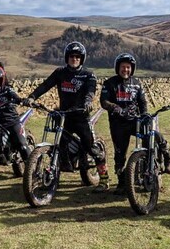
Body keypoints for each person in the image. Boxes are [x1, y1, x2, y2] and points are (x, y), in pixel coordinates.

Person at [23, 42, 110, 191]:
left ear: (82, 58)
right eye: (71, 56)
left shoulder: (88, 75)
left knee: (90, 147)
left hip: (81, 116)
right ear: (66, 58)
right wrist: (32, 97)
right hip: (63, 115)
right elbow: (45, 85)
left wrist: (88, 102)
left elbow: (90, 91)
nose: (74, 59)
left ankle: (104, 179)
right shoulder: (60, 72)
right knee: (61, 145)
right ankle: (57, 171)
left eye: (77, 56)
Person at [100, 52, 170, 194]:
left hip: (136, 121)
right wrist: (115, 107)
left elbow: (143, 102)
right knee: (119, 154)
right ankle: (122, 183)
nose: (125, 70)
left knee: (153, 136)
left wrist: (145, 114)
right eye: (123, 67)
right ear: (118, 68)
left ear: (132, 69)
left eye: (128, 67)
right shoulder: (109, 83)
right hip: (118, 124)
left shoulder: (137, 84)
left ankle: (165, 159)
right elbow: (104, 101)